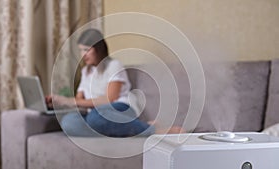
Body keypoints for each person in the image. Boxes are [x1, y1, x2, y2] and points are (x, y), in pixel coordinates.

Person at [46, 28, 183, 137]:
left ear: (98, 49)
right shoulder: (85, 72)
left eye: (87, 50)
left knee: (96, 117)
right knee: (69, 122)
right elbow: (79, 100)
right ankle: (116, 132)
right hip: (95, 113)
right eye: (81, 50)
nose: (83, 55)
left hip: (120, 109)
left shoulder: (114, 66)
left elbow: (110, 99)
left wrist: (67, 100)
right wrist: (59, 103)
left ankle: (152, 130)